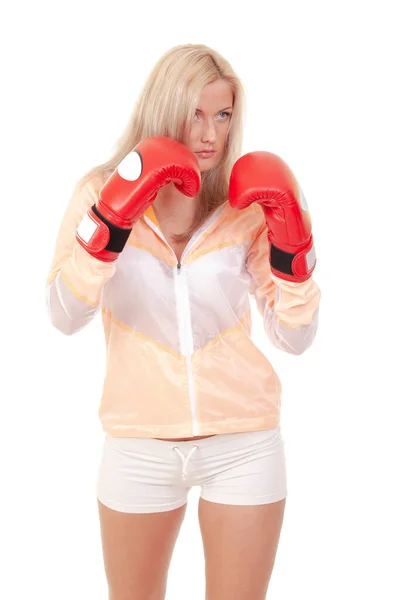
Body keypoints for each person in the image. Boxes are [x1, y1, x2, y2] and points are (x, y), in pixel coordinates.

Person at [46, 43, 321, 600]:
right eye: (195, 113)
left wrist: (295, 253)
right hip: (138, 442)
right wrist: (108, 230)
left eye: (223, 115)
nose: (210, 134)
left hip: (243, 439)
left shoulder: (244, 205)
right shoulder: (100, 192)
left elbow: (295, 336)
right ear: (163, 107)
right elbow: (63, 314)